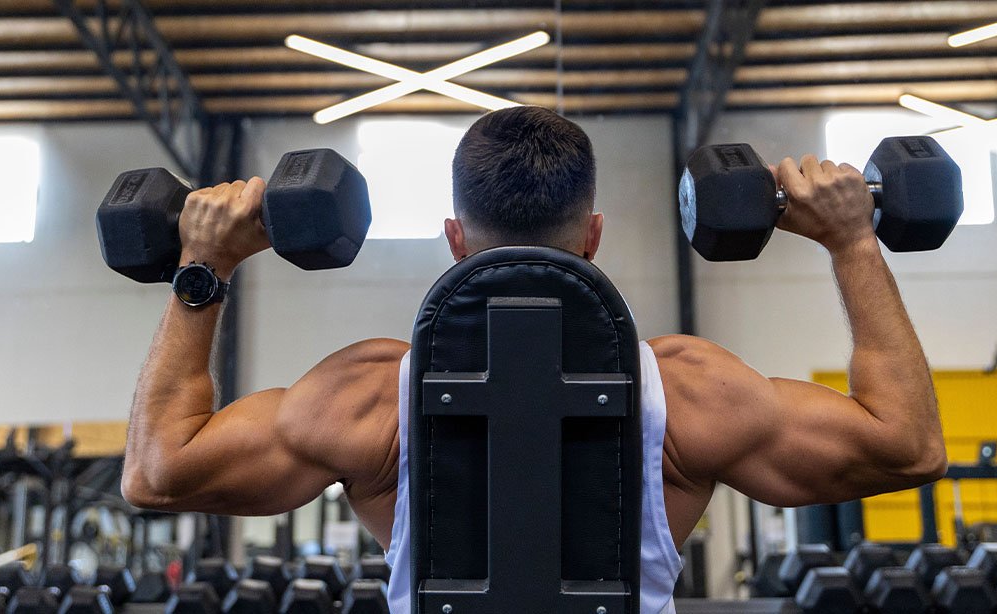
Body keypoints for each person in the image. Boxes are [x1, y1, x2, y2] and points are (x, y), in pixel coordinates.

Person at [120, 106, 947, 612]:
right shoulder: (696, 390)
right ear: (593, 236)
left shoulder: (361, 396)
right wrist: (851, 240)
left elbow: (157, 474)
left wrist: (205, 265)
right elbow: (907, 447)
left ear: (455, 240)